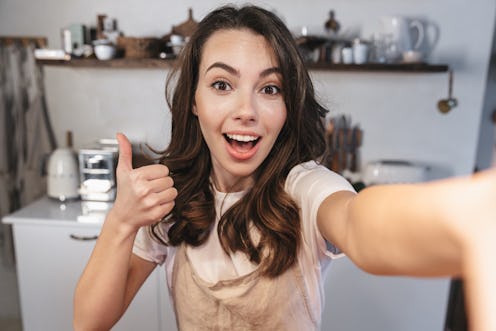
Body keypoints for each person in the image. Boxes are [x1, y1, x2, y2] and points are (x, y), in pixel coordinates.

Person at [73, 5, 496, 331]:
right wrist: (121, 222)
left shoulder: (306, 189)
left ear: (288, 106)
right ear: (193, 102)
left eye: (270, 89)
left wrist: (456, 215)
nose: (246, 111)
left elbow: (360, 224)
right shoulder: (173, 197)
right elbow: (90, 322)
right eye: (222, 85)